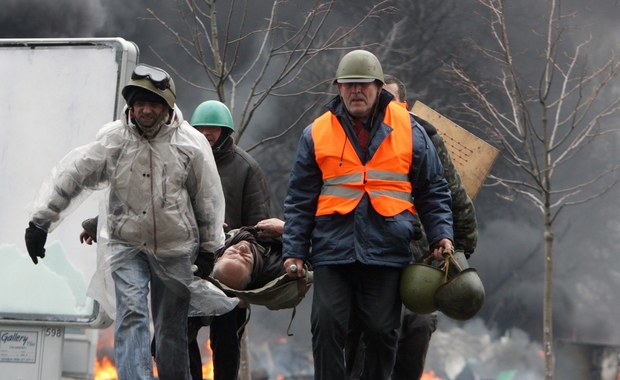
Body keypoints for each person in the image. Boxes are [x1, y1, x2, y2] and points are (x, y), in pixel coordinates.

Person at [24, 64, 226, 380]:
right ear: (130, 105)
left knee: (171, 331)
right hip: (127, 245)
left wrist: (210, 248)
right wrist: (40, 222)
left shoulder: (189, 144)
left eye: (154, 103)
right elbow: (74, 175)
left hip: (176, 249)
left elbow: (208, 199)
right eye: (139, 103)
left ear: (167, 105)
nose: (146, 110)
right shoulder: (114, 141)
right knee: (131, 313)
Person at [281, 49, 454, 380]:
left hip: (386, 250)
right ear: (338, 88)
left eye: (363, 85)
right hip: (333, 250)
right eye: (348, 85)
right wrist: (294, 252)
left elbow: (433, 189)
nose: (355, 91)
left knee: (381, 331)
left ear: (378, 88)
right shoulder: (316, 133)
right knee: (328, 325)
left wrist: (441, 234)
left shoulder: (409, 129)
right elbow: (300, 199)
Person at [345, 74, 479, 380]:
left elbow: (452, 195)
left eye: (390, 101)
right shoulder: (353, 137)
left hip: (418, 261)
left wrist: (460, 250)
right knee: (364, 341)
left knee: (415, 334)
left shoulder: (425, 138)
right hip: (370, 260)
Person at [188, 100, 272, 380]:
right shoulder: (184, 161)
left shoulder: (246, 168)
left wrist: (230, 235)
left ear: (225, 131)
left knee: (225, 340)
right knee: (180, 334)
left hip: (229, 270)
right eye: (200, 128)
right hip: (190, 265)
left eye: (213, 128)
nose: (206, 134)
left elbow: (261, 227)